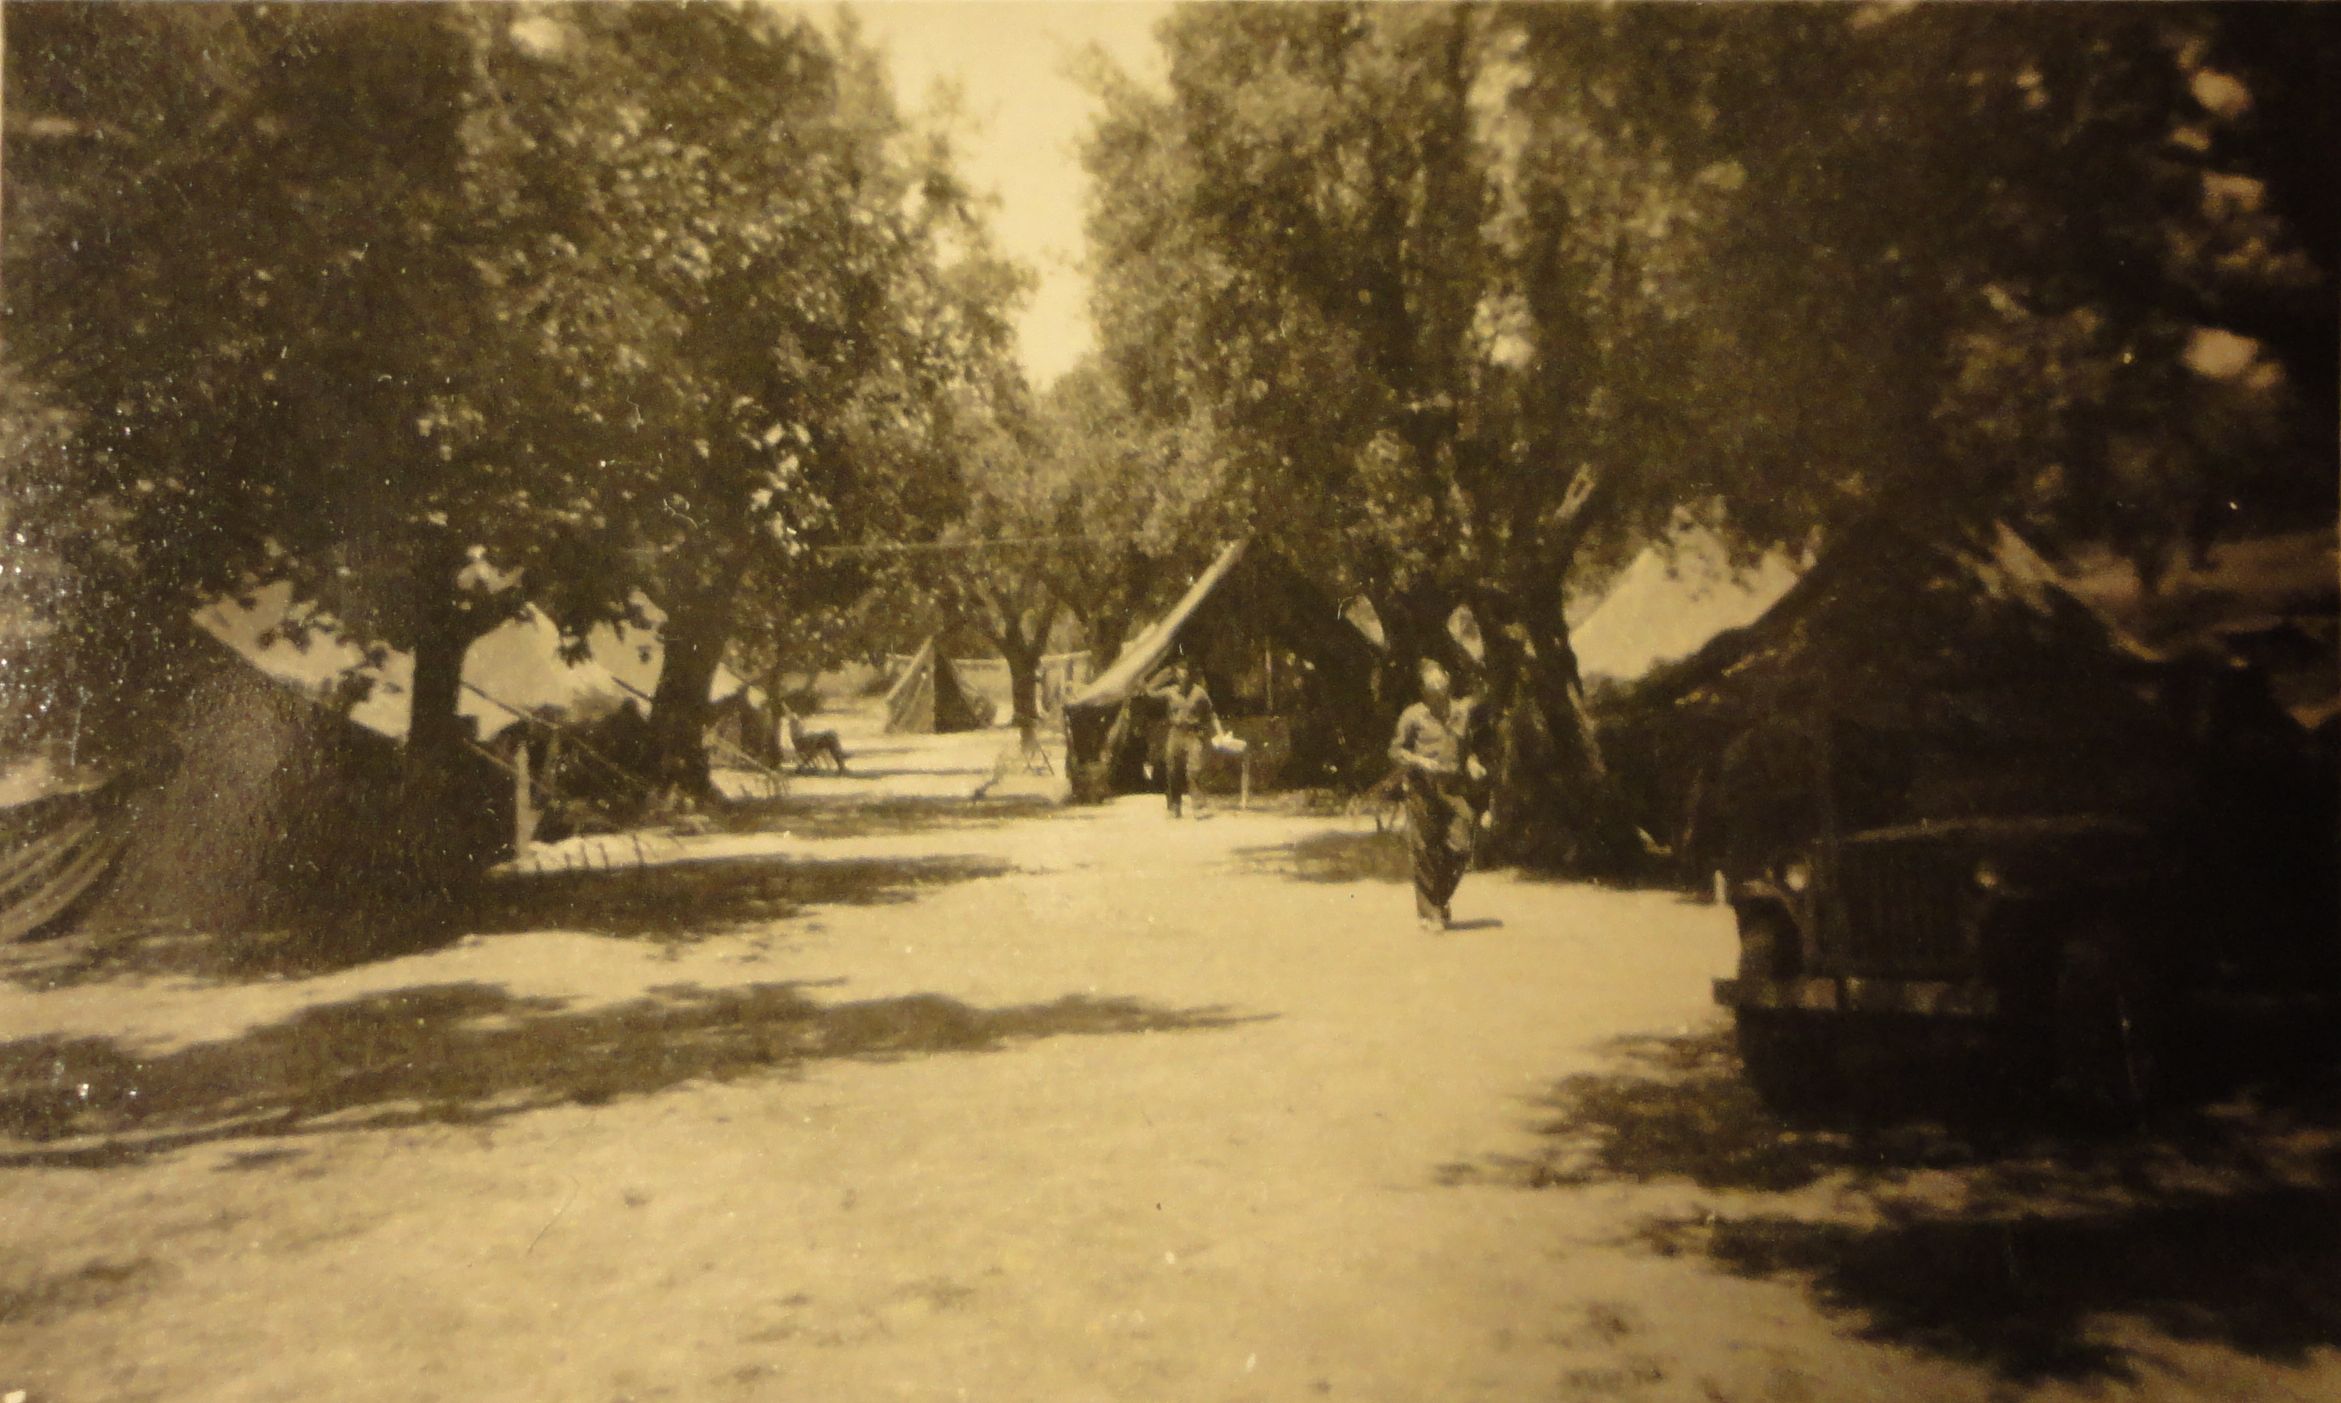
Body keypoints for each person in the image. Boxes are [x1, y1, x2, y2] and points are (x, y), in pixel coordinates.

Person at [1389, 658, 1481, 932]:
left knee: (1461, 846)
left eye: (1439, 681)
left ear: (1448, 680)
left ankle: (1439, 898)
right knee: (1424, 850)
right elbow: (1395, 751)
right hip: (1422, 789)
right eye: (1430, 685)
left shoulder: (1461, 713)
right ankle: (1430, 913)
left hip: (1453, 789)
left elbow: (1467, 747)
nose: (1436, 687)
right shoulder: (1412, 716)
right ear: (1423, 691)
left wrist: (1473, 762)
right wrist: (1419, 761)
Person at [1144, 655, 1214, 817]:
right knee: (1173, 770)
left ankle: (1199, 807)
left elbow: (1210, 713)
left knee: (1193, 770)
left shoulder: (1199, 692)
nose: (1183, 675)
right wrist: (1164, 674)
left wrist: (1215, 733)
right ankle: (1174, 807)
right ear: (1176, 674)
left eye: (1186, 671)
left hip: (1192, 734)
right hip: (1175, 733)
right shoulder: (1170, 692)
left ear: (1190, 674)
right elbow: (1149, 691)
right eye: (1180, 671)